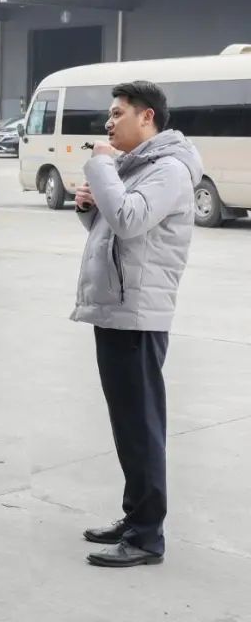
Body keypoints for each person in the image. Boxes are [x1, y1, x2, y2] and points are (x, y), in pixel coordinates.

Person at [72, 81, 202, 568]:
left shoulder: (169, 168)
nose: (108, 124)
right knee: (127, 422)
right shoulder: (140, 165)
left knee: (141, 425)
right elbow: (113, 229)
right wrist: (89, 207)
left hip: (138, 313)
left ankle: (147, 537)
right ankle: (135, 516)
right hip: (117, 306)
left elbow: (129, 219)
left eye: (117, 114)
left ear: (146, 117)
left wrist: (102, 166)